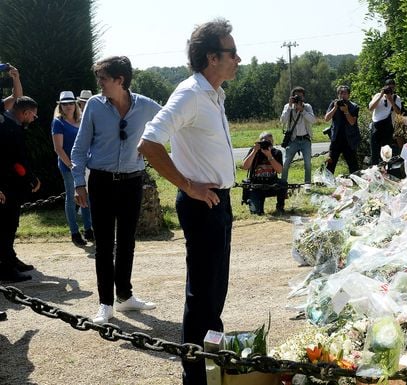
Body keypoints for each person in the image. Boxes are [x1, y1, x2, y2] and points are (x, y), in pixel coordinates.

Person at [137, 18, 240, 385]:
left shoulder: (213, 94)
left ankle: (210, 367)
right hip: (202, 203)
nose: (238, 58)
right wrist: (188, 185)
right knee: (202, 296)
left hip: (218, 201)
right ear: (212, 57)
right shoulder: (190, 93)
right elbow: (149, 142)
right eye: (231, 53)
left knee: (215, 293)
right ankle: (195, 377)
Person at [71, 56, 160, 325]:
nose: (99, 84)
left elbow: (174, 121)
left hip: (133, 181)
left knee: (127, 242)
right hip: (101, 181)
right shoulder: (94, 107)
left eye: (103, 79)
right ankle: (105, 304)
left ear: (120, 80)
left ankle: (125, 296)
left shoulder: (146, 106)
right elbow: (79, 147)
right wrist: (78, 182)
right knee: (104, 245)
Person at [0, 96, 41, 283]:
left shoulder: (10, 125)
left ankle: (10, 259)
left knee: (11, 225)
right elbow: (17, 161)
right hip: (7, 185)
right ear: (25, 113)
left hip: (10, 184)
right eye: (34, 115)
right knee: (6, 227)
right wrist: (31, 179)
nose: (34, 119)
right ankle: (7, 267)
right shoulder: (10, 129)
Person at [51, 91, 93, 246]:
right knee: (71, 198)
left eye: (70, 103)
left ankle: (89, 229)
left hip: (84, 164)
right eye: (64, 104)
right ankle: (74, 232)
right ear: (60, 106)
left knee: (87, 197)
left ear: (75, 104)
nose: (68, 106)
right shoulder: (58, 122)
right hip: (68, 165)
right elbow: (58, 148)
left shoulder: (81, 120)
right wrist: (70, 165)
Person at [280, 86, 315, 191]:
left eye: (300, 96)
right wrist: (290, 106)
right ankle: (283, 185)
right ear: (292, 97)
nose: (298, 98)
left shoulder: (307, 107)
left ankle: (307, 185)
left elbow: (313, 120)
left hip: (305, 139)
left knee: (308, 163)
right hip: (293, 140)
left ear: (303, 97)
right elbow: (282, 120)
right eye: (296, 96)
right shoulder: (288, 106)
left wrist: (302, 110)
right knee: (285, 163)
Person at [241, 132, 286, 215]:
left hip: (272, 185)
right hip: (256, 186)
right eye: (264, 141)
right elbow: (245, 167)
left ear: (272, 143)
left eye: (269, 142)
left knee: (283, 183)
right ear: (259, 142)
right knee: (256, 213)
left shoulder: (276, 153)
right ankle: (257, 205)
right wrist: (254, 151)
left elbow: (279, 170)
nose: (266, 144)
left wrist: (269, 156)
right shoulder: (254, 152)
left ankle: (280, 207)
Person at [324, 85, 361, 175]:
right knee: (331, 162)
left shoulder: (354, 106)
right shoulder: (333, 104)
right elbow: (326, 118)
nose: (342, 95)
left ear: (349, 95)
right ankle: (327, 180)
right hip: (336, 138)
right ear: (338, 95)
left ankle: (356, 179)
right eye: (340, 93)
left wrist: (346, 111)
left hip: (349, 139)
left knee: (352, 163)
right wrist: (335, 108)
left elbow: (352, 122)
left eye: (345, 93)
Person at [368, 79, 402, 165]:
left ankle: (386, 169)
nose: (389, 91)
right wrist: (381, 96)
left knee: (386, 152)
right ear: (383, 88)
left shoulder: (396, 98)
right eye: (388, 88)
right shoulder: (378, 95)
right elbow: (371, 108)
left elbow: (398, 112)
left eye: (392, 88)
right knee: (374, 151)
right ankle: (375, 169)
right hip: (376, 126)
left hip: (387, 127)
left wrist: (391, 100)